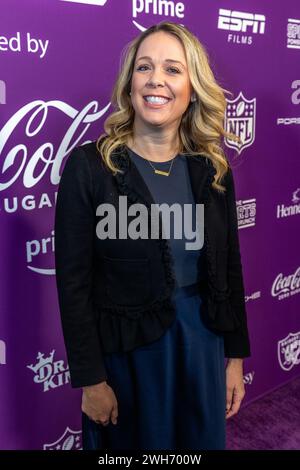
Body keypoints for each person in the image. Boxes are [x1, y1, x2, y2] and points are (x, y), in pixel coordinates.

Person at [54, 21, 251, 451]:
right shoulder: (89, 168)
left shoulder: (213, 170)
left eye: (173, 69)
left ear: (193, 88)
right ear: (129, 85)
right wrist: (91, 379)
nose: (156, 80)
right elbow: (73, 284)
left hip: (201, 344)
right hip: (128, 355)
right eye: (144, 67)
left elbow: (229, 267)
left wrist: (233, 359)